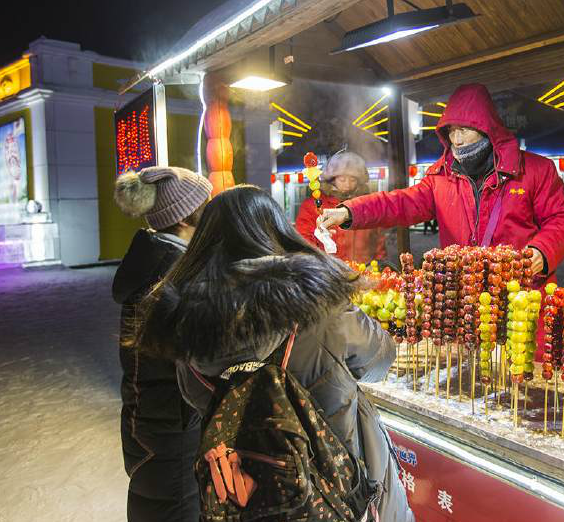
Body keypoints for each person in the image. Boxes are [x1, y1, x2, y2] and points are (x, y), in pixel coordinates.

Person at [132, 185, 414, 522]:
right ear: (277, 230)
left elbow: (195, 396)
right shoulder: (319, 301)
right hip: (340, 481)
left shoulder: (186, 322)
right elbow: (379, 360)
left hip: (249, 491)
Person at [318, 83, 564, 283]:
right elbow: (400, 203)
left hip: (521, 293)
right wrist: (349, 211)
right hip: (463, 297)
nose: (456, 139)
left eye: (463, 130)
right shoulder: (440, 177)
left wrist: (542, 251)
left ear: (486, 128)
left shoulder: (535, 170)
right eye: (451, 131)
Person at [111, 166, 212, 522]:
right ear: (186, 217)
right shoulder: (172, 276)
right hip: (171, 429)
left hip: (152, 422)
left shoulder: (155, 263)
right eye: (207, 206)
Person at [296, 150, 386, 264]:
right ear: (332, 180)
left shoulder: (367, 206)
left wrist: (379, 265)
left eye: (352, 180)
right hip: (328, 274)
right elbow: (304, 245)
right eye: (342, 179)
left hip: (365, 273)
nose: (347, 184)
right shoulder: (311, 207)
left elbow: (378, 242)